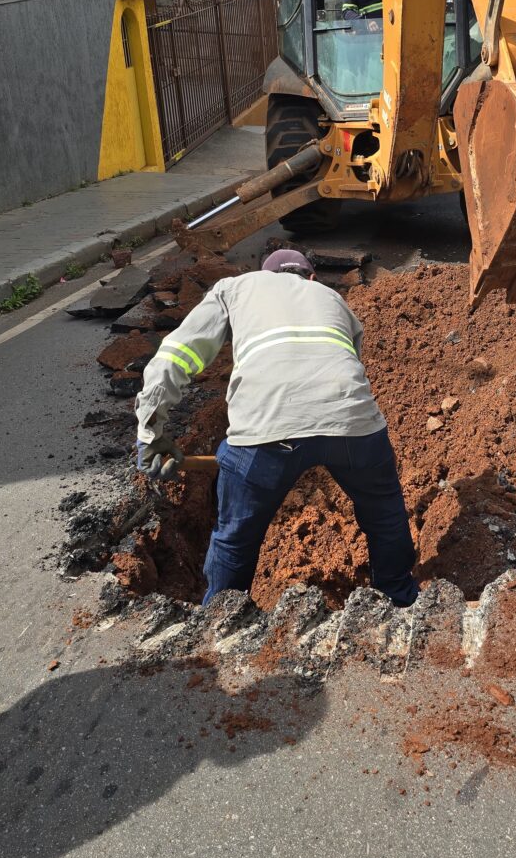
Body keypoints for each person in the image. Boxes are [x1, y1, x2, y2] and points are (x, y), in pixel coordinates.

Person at [134, 249, 418, 608]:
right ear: (310, 278)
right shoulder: (332, 298)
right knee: (385, 513)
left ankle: (220, 616)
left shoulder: (234, 288)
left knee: (235, 537)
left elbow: (173, 357)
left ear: (264, 274)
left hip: (264, 429)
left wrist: (151, 434)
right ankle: (400, 597)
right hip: (353, 422)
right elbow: (347, 368)